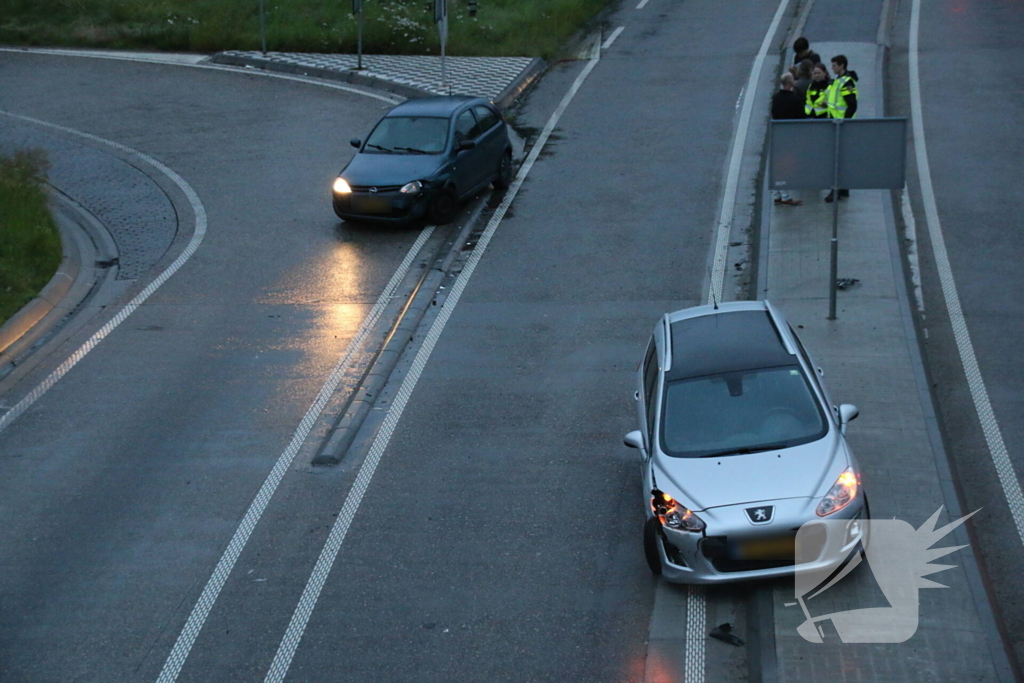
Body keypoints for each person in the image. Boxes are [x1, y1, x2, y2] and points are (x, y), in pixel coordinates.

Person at [824, 55, 859, 202]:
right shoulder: (838, 81)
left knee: (837, 159)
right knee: (840, 158)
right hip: (835, 123)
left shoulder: (846, 83)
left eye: (834, 65)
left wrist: (844, 122)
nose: (832, 68)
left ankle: (836, 189)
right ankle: (843, 189)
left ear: (842, 66)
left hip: (841, 125)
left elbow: (852, 105)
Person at [771, 73, 805, 206]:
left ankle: (777, 194)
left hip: (778, 134)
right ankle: (786, 197)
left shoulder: (776, 98)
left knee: (778, 165)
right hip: (790, 136)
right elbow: (801, 117)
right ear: (791, 84)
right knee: (787, 166)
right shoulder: (795, 99)